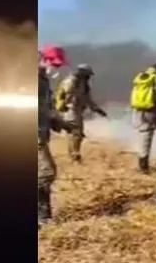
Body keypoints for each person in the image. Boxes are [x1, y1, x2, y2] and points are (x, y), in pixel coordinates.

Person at [38, 44, 70, 222]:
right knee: (46, 173)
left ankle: (44, 216)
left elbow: (47, 108)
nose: (56, 69)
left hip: (41, 132)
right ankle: (42, 217)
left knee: (44, 174)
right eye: (55, 65)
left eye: (58, 66)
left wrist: (63, 124)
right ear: (44, 59)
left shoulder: (43, 80)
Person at [54, 63, 107, 163]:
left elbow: (87, 99)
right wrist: (62, 106)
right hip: (70, 110)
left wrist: (96, 109)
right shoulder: (71, 81)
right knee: (75, 132)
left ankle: (74, 154)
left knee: (76, 133)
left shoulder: (83, 84)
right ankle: (74, 155)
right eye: (87, 74)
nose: (89, 77)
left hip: (77, 110)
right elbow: (68, 95)